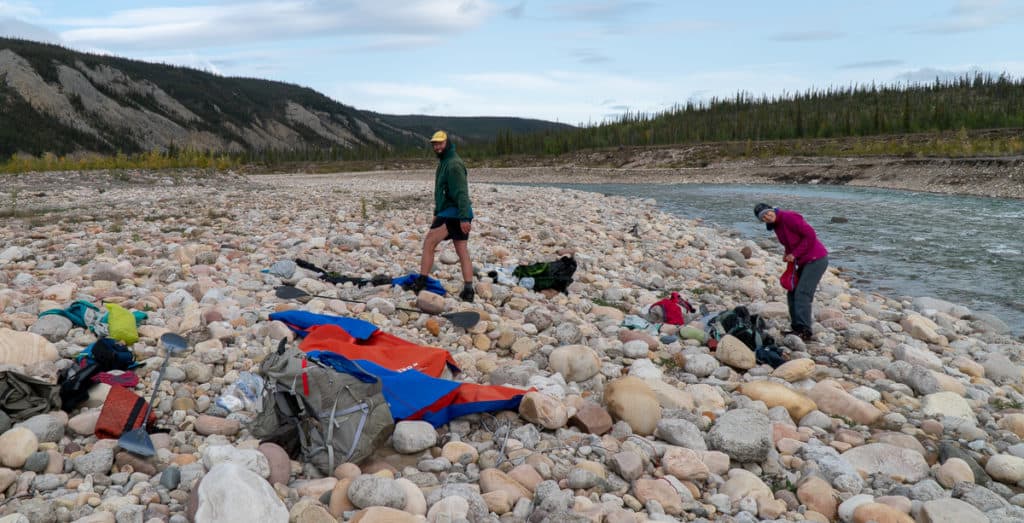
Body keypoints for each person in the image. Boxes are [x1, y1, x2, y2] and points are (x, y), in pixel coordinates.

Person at [412, 131, 475, 301]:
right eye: (435, 144)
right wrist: (436, 213)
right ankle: (469, 290)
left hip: (453, 214)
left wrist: (463, 218)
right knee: (462, 250)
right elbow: (441, 193)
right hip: (453, 213)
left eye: (440, 143)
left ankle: (422, 282)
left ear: (448, 143)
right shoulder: (445, 162)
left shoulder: (453, 164)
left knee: (429, 243)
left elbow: (461, 192)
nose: (437, 147)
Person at [754, 203, 829, 341]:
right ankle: (796, 328)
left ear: (772, 210)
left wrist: (794, 254)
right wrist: (788, 254)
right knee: (792, 292)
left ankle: (805, 330)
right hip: (804, 261)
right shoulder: (776, 225)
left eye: (767, 213)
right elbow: (790, 242)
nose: (767, 216)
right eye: (763, 217)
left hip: (816, 259)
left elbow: (810, 235)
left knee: (803, 293)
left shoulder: (789, 217)